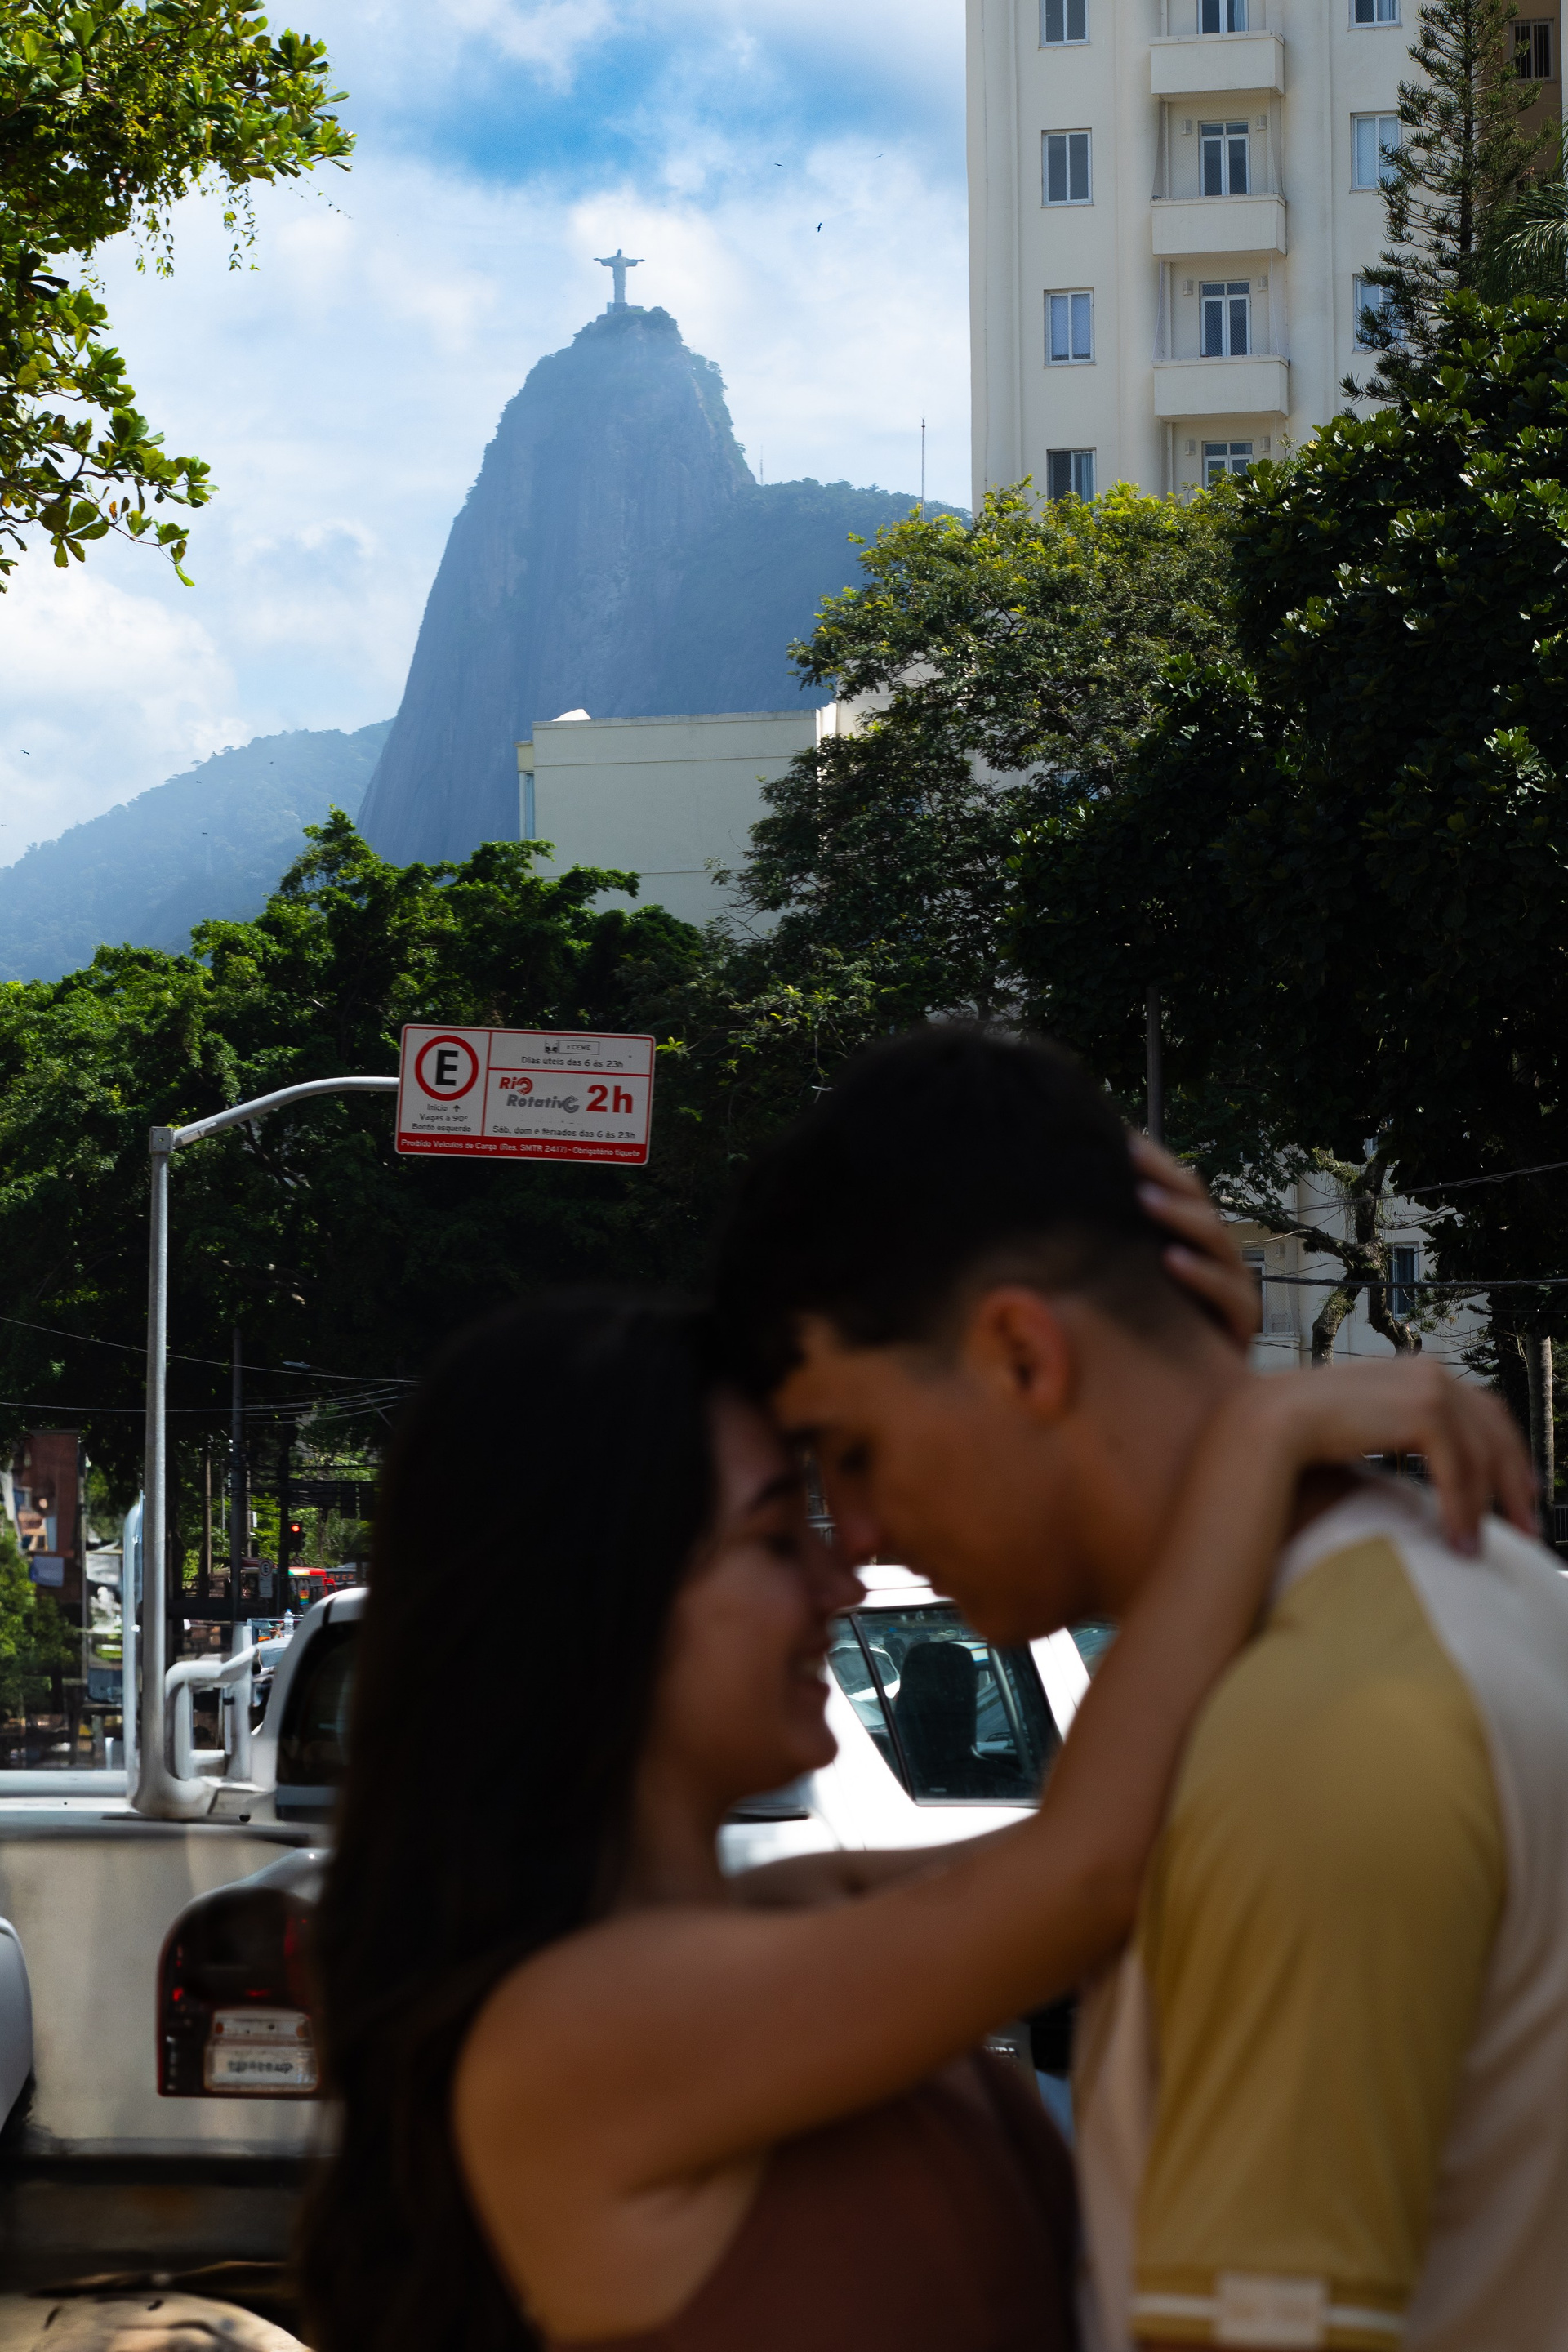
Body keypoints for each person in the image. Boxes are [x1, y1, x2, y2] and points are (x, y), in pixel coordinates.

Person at [299, 1276, 1526, 2352]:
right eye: (777, 1538)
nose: (842, 1579)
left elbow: (1142, 1829)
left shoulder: (772, 1918)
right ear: (591, 1600)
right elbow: (1087, 1868)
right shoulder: (573, 2037)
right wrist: (1248, 1436)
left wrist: (1166, 1356)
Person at [712, 1024, 1568, 2352]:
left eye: (854, 1448)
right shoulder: (1472, 1605)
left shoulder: (1314, 1740)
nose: (858, 1537)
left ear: (1022, 1355)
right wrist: (1247, 1418)